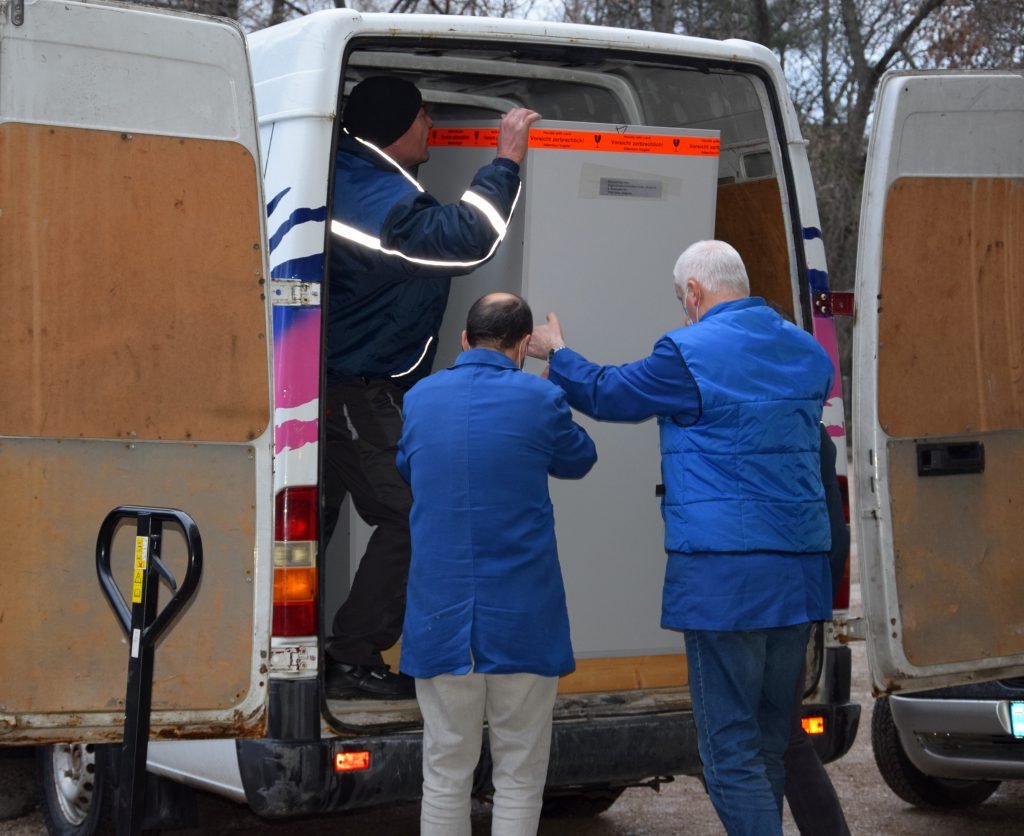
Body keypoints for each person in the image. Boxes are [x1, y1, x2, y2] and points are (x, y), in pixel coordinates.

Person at [527, 240, 835, 836]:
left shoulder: (689, 352)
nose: (681, 310)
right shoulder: (807, 350)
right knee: (769, 742)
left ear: (694, 292)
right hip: (799, 575)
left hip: (725, 578)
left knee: (728, 750)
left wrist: (558, 352)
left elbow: (609, 393)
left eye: (679, 299)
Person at [322, 75, 541, 699]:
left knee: (314, 524)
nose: (432, 127)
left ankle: (300, 654)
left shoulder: (361, 176)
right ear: (397, 126)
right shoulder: (372, 195)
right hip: (356, 388)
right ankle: (352, 656)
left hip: (345, 384)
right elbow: (467, 238)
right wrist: (507, 159)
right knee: (417, 514)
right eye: (423, 116)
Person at [396, 292, 597, 836]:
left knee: (445, 772)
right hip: (523, 619)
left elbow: (408, 466)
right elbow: (580, 458)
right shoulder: (541, 398)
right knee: (520, 775)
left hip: (440, 618)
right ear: (524, 346)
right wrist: (557, 371)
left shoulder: (419, 398)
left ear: (465, 340)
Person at [783, 425, 852, 835]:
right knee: (786, 740)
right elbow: (836, 536)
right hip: (800, 601)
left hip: (762, 605)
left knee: (757, 747)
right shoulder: (813, 428)